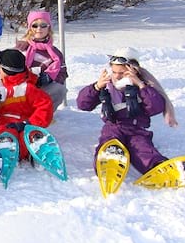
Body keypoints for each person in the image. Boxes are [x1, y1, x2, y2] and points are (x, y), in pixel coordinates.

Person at [76, 47, 178, 175]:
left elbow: (155, 107)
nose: (117, 77)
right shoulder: (107, 84)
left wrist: (141, 86)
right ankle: (107, 164)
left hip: (136, 128)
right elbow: (82, 104)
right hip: (114, 126)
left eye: (122, 73)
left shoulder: (142, 85)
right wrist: (96, 87)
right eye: (114, 72)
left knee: (142, 149)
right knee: (109, 143)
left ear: (133, 70)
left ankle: (158, 168)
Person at [0, 49, 53, 160]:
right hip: (5, 122)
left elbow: (45, 107)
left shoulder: (28, 88)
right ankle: (7, 145)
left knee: (27, 134)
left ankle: (34, 145)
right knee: (6, 132)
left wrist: (30, 122)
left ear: (3, 69)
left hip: (26, 122)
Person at [14, 10, 68, 111]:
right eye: (35, 25)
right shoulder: (22, 48)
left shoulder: (55, 53)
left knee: (59, 89)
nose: (39, 29)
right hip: (21, 88)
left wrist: (49, 77)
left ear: (49, 28)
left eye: (43, 25)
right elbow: (7, 70)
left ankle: (44, 114)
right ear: (30, 28)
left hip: (41, 89)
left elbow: (63, 73)